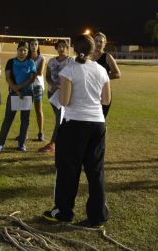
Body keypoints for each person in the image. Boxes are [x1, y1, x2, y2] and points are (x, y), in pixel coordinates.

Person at [43, 34, 111, 227]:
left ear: (74, 49)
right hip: (97, 124)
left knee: (68, 170)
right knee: (95, 171)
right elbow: (106, 100)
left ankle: (64, 212)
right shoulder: (100, 69)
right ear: (93, 50)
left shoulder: (69, 70)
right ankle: (98, 215)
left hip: (75, 124)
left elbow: (64, 101)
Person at [0, 41, 36, 152]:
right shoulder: (11, 62)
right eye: (20, 50)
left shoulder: (31, 62)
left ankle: (21, 144)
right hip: (14, 94)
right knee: (8, 119)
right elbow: (8, 78)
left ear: (27, 51)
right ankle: (0, 144)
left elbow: (32, 79)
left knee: (25, 120)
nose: (22, 52)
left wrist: (20, 88)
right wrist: (16, 90)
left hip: (27, 94)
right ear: (17, 50)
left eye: (25, 50)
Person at [39, 39, 73, 153]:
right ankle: (61, 141)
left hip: (65, 93)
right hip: (52, 93)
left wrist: (65, 87)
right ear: (56, 48)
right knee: (61, 117)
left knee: (61, 118)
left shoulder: (71, 61)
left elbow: (74, 76)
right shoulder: (52, 61)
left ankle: (53, 143)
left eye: (64, 46)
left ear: (67, 48)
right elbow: (48, 76)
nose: (61, 48)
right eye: (59, 46)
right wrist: (53, 85)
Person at [92, 32, 121, 118]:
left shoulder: (107, 57)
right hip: (89, 91)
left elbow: (117, 74)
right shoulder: (88, 56)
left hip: (104, 92)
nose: (98, 43)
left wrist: (102, 77)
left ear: (104, 44)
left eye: (101, 42)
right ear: (92, 42)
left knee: (101, 118)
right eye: (96, 41)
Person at [28, 39, 47, 141]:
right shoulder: (26, 58)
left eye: (36, 44)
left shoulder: (42, 58)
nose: (34, 46)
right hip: (27, 86)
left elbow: (40, 72)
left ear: (38, 46)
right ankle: (24, 133)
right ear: (29, 46)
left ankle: (40, 133)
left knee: (38, 110)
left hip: (38, 86)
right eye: (32, 44)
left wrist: (28, 73)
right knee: (26, 110)